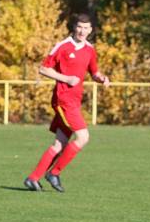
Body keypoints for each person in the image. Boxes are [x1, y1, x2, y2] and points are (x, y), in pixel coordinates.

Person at [24, 14, 110, 192]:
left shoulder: (89, 49)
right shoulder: (63, 46)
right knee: (83, 137)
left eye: (85, 28)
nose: (82, 31)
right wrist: (66, 78)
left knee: (60, 144)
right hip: (64, 100)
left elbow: (94, 72)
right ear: (74, 27)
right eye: (79, 27)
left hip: (75, 101)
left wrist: (101, 78)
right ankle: (54, 173)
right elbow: (43, 68)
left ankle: (33, 178)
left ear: (90, 30)